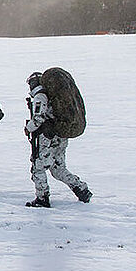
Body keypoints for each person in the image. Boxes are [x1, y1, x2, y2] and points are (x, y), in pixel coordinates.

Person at [24, 71, 91, 207]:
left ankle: (42, 198)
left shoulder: (40, 96)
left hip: (46, 138)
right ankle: (81, 189)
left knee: (38, 168)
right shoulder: (54, 95)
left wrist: (28, 128)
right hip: (61, 135)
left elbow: (38, 118)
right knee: (57, 168)